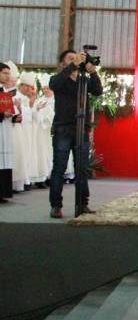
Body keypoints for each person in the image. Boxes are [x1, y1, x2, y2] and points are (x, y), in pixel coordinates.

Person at [48, 50, 103, 218]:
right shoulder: (59, 79)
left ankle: (82, 203)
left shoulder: (83, 81)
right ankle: (56, 205)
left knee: (82, 169)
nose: (76, 61)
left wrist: (92, 72)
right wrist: (73, 65)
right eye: (70, 59)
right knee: (59, 168)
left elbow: (98, 91)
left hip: (81, 129)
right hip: (63, 129)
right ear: (63, 63)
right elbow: (54, 85)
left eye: (77, 58)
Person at [12, 72, 36, 193]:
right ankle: (16, 183)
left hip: (28, 130)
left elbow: (33, 114)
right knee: (19, 155)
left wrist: (32, 105)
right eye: (25, 85)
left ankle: (25, 180)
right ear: (20, 86)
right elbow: (20, 113)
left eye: (29, 86)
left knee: (27, 154)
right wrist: (27, 108)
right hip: (19, 129)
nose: (27, 88)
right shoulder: (15, 96)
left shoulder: (28, 98)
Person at [0, 62, 20, 203]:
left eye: (9, 73)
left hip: (5, 131)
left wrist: (14, 117)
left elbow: (9, 111)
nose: (8, 76)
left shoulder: (6, 92)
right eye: (5, 73)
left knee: (4, 161)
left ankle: (2, 193)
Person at [31, 75, 54, 189]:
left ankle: (51, 177)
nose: (45, 90)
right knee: (42, 154)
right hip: (42, 131)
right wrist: (39, 110)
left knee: (52, 154)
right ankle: (41, 178)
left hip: (52, 131)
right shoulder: (40, 100)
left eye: (47, 88)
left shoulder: (56, 100)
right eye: (44, 88)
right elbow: (35, 112)